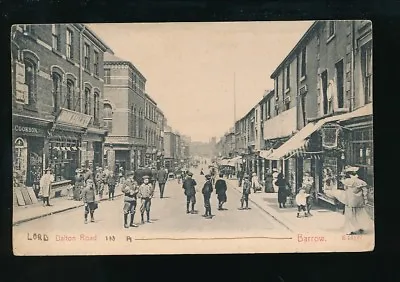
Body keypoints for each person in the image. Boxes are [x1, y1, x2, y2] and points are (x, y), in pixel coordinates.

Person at [341, 166, 372, 235]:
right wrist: (365, 199)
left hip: (350, 201)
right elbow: (365, 192)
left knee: (350, 215)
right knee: (360, 214)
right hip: (359, 201)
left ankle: (351, 229)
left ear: (349, 174)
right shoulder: (361, 182)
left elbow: (345, 189)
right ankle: (361, 227)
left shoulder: (347, 181)